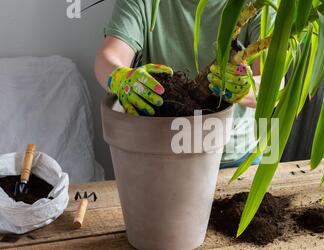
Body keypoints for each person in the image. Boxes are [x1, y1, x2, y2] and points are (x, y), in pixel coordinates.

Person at [95, 0, 263, 168]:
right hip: (162, 155)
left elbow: (273, 85)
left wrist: (245, 88)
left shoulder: (258, 4)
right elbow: (108, 57)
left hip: (235, 157)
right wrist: (120, 77)